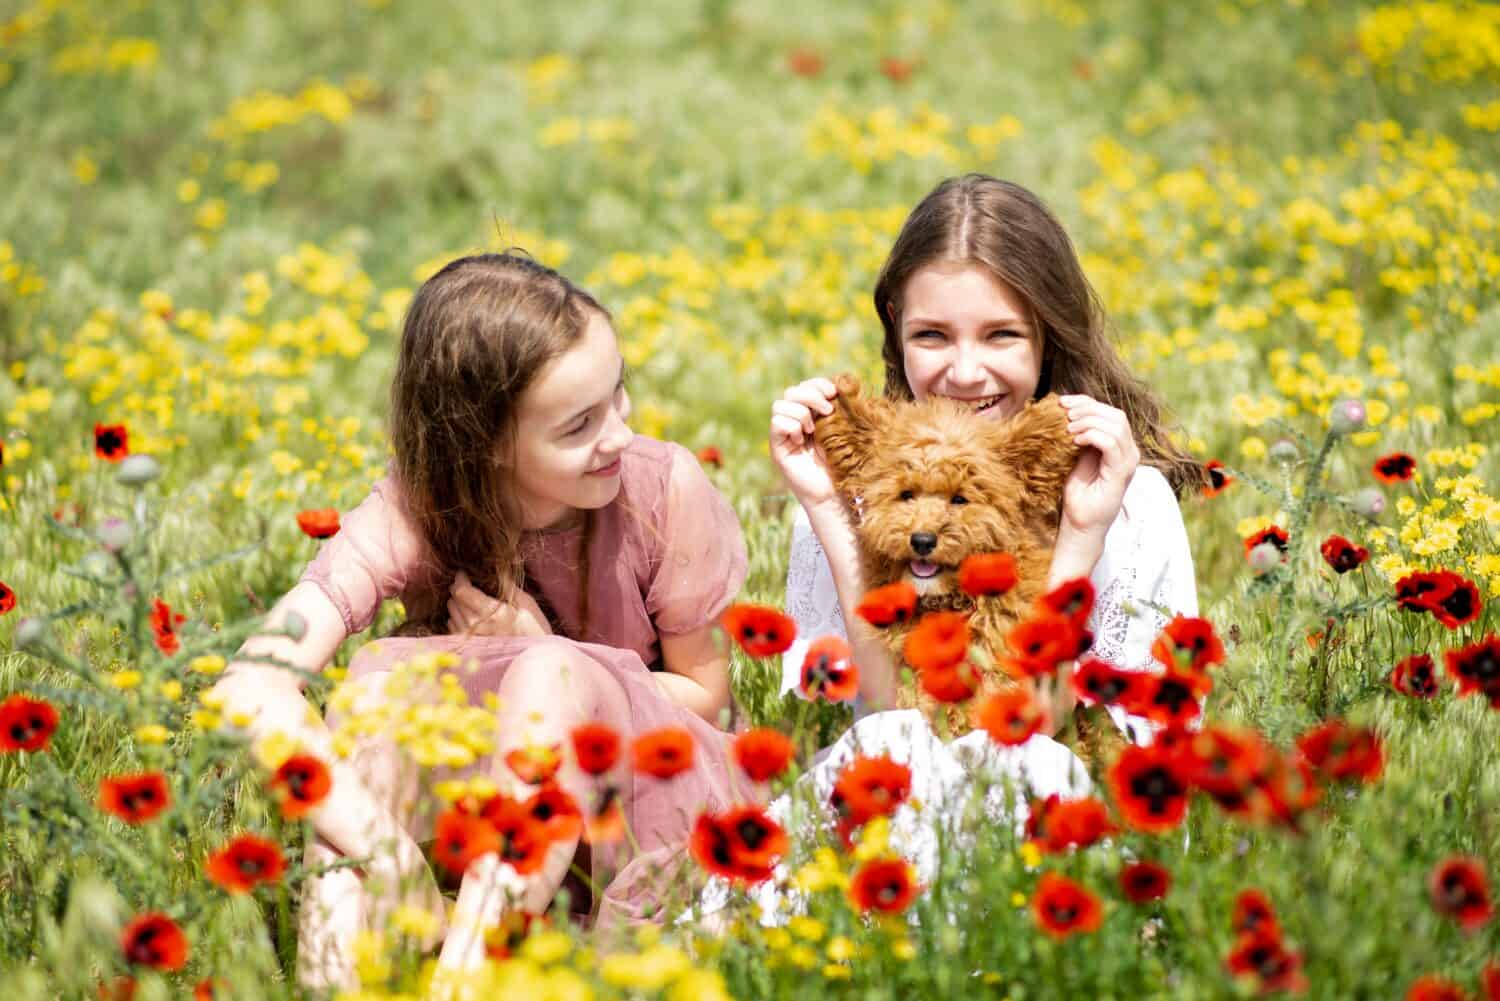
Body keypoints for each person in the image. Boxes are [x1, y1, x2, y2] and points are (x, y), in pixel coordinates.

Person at [209, 252, 748, 988]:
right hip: (499, 811)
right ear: (487, 443)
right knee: (369, 703)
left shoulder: (660, 488)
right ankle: (336, 980)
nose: (619, 434)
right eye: (579, 424)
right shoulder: (419, 505)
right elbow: (248, 687)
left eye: (618, 394)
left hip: (654, 791)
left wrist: (555, 657)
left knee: (545, 671)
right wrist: (384, 849)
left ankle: (462, 979)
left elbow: (706, 698)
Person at [769, 175, 1201, 830]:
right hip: (900, 821)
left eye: (1001, 335)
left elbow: (1031, 721)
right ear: (895, 326)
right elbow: (891, 722)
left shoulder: (1131, 505)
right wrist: (831, 510)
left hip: (1049, 836)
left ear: (1048, 332)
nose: (966, 373)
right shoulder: (860, 497)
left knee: (1029, 765)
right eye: (933, 336)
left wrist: (1082, 535)